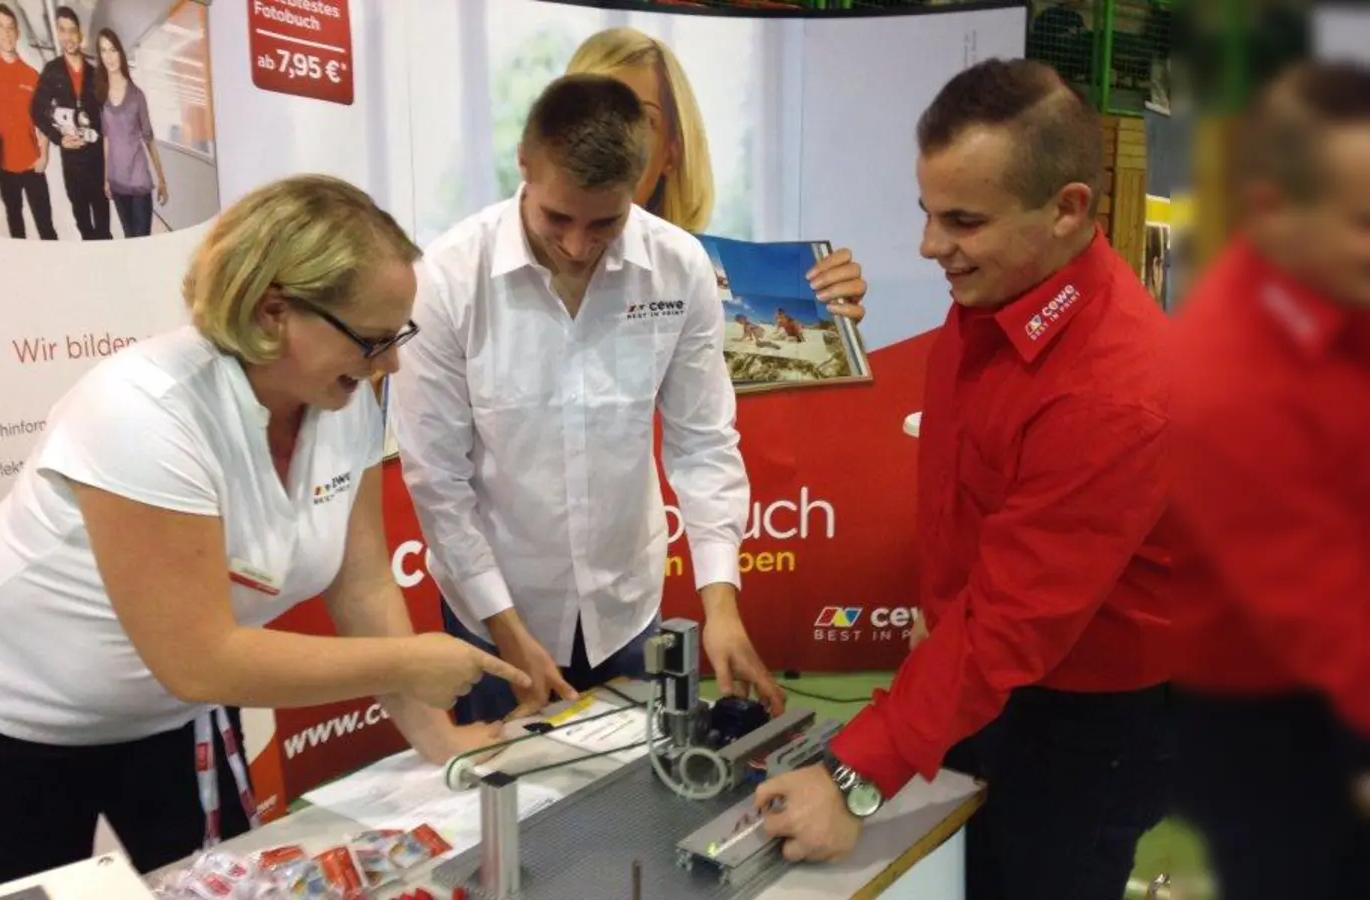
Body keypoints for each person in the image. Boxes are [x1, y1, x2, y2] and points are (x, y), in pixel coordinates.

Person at [0, 175, 528, 888]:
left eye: (399, 336)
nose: (392, 363)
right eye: (374, 339)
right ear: (273, 312)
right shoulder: (146, 412)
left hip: (171, 720)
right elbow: (199, 657)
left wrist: (437, 738)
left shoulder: (341, 398)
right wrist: (407, 661)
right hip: (4, 721)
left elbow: (361, 588)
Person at [756, 59, 1174, 900]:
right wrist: (940, 632)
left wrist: (853, 776)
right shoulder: (992, 299)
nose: (928, 245)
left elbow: (1016, 623)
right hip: (977, 677)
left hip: (1085, 722)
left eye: (963, 220)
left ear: (1067, 210)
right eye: (926, 212)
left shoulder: (1112, 392)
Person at [391, 75, 802, 725]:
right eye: (558, 218)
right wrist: (505, 627)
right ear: (524, 165)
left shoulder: (679, 267)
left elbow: (703, 443)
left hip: (627, 611)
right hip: (495, 617)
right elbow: (438, 481)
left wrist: (720, 605)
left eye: (604, 222)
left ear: (639, 186)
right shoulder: (445, 279)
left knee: (640, 802)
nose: (578, 244)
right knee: (502, 810)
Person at [1170, 60, 1370, 900]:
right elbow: (1324, 607)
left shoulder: (1340, 284)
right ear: (1270, 211)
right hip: (1269, 714)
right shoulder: (1227, 381)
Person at [565, 27, 867, 320]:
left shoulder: (703, 275)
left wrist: (835, 329)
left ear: (671, 153)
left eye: (643, 121)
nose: (616, 141)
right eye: (597, 115)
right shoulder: (525, 270)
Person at [0, 3, 57, 240]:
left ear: (18, 31)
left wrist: (44, 153)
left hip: (32, 163)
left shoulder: (31, 74)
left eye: (11, 27)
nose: (6, 33)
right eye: (1, 27)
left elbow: (45, 119)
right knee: (14, 220)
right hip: (3, 163)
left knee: (45, 225)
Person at [31, 5, 110, 240]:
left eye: (72, 30)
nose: (68, 37)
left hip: (97, 161)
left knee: (103, 223)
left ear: (80, 34)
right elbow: (36, 110)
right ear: (57, 33)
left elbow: (106, 117)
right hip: (72, 162)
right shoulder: (52, 71)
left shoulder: (95, 73)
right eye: (63, 30)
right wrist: (58, 139)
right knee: (83, 222)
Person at [97, 28, 167, 239]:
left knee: (142, 239)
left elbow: (149, 140)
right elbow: (106, 140)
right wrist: (105, 178)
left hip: (139, 182)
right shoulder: (101, 96)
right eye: (104, 51)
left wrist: (162, 180)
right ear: (100, 56)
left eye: (113, 50)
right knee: (129, 237)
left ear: (121, 53)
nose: (109, 56)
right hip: (117, 182)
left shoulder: (137, 96)